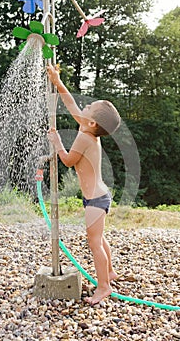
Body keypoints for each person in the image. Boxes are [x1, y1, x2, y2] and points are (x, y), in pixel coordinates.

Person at [47, 64, 121, 305]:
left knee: (94, 242)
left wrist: (57, 142)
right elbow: (71, 105)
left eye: (89, 107)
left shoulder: (84, 137)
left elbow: (68, 161)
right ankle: (109, 272)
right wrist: (58, 83)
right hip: (98, 197)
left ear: (92, 123)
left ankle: (104, 286)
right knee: (99, 239)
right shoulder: (87, 128)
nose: (85, 106)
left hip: (96, 200)